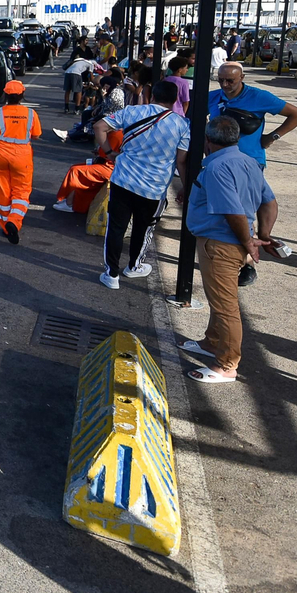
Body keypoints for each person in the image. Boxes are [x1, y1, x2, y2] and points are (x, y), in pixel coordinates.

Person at [180, 115, 281, 383]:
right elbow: (269, 202)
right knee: (220, 297)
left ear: (208, 141)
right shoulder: (249, 162)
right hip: (232, 242)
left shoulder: (216, 168)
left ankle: (226, 365)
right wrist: (264, 233)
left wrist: (250, 240)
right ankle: (212, 341)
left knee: (225, 306)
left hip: (220, 243)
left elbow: (232, 210)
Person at [95, 80, 189, 288]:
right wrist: (185, 186)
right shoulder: (182, 125)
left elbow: (99, 126)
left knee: (116, 227)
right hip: (154, 188)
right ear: (175, 101)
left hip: (123, 181)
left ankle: (111, 274)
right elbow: (181, 161)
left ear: (152, 96)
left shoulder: (132, 112)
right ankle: (134, 266)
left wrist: (110, 152)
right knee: (143, 229)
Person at [209, 62, 297, 170]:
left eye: (230, 81)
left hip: (249, 162)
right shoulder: (212, 97)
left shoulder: (258, 97)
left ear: (242, 77)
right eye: (221, 80)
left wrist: (272, 136)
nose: (225, 84)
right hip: (217, 162)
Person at [0, 79, 42, 245]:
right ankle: (14, 221)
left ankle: (5, 226)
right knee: (22, 190)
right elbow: (36, 135)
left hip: (1, 153)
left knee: (3, 189)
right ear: (22, 95)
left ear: (6, 95)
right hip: (22, 154)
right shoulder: (31, 114)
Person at [52, 126, 122, 213]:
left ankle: (69, 203)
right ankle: (69, 199)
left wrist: (99, 150)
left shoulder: (116, 135)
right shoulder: (116, 133)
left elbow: (105, 153)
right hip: (110, 164)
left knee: (76, 171)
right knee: (78, 168)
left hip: (111, 167)